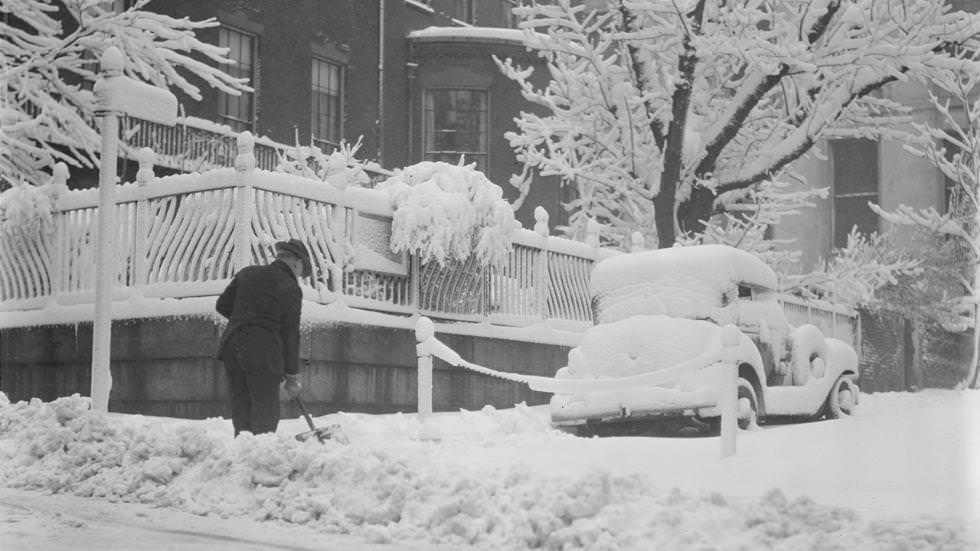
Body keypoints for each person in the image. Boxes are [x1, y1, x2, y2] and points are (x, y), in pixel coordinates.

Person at [215, 239, 312, 436]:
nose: (299, 276)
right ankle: (261, 457)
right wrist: (292, 375)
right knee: (264, 408)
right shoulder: (290, 287)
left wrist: (247, 320)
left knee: (242, 405)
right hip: (263, 350)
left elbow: (222, 305)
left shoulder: (248, 273)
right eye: (301, 270)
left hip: (232, 345)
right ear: (296, 262)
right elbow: (290, 332)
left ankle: (243, 452)